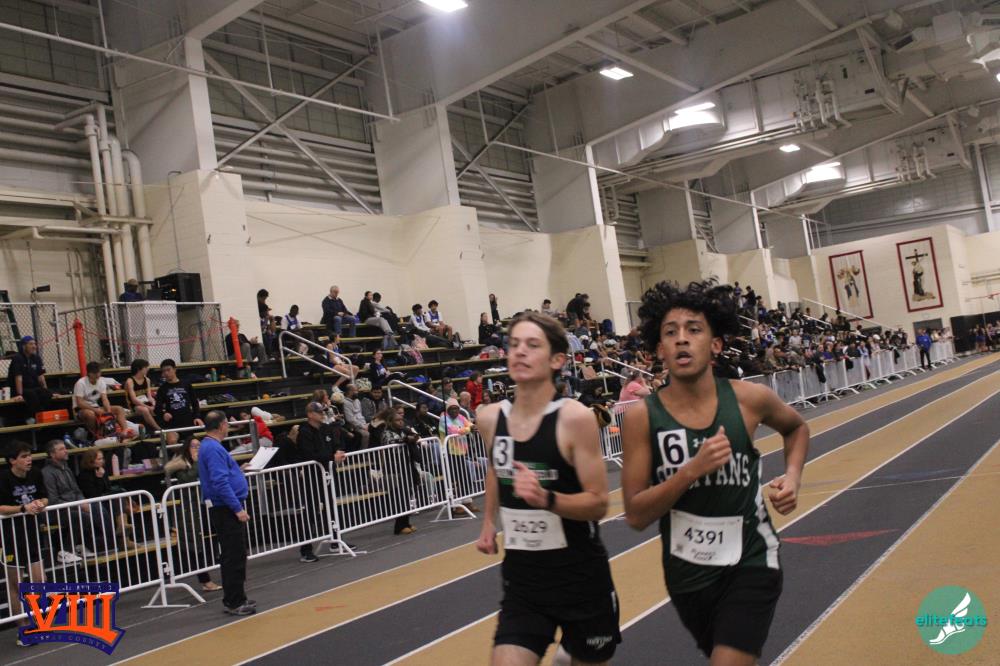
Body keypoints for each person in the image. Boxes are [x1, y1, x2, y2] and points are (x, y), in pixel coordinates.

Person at [621, 280, 809, 665]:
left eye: (694, 330)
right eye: (670, 333)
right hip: (687, 575)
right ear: (659, 350)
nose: (681, 339)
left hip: (752, 559)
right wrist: (690, 471)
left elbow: (796, 428)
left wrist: (792, 476)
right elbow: (636, 515)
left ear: (716, 345)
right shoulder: (642, 418)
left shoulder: (749, 399)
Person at [475, 311, 619, 665]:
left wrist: (546, 498)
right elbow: (496, 467)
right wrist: (488, 522)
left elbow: (599, 504)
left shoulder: (574, 418)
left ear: (557, 360)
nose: (520, 352)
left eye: (532, 345)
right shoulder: (490, 418)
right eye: (514, 344)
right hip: (524, 583)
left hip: (580, 580)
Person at [197, 410, 254, 615]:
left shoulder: (211, 446)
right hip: (225, 508)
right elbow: (219, 482)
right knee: (233, 555)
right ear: (222, 425)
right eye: (227, 424)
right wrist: (237, 508)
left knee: (235, 553)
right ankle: (234, 601)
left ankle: (237, 596)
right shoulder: (212, 448)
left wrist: (238, 470)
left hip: (225, 506)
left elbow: (221, 476)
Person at [0, 442, 48, 647]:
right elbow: (1, 507)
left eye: (29, 455)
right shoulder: (3, 478)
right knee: (16, 585)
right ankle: (23, 629)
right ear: (13, 461)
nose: (29, 459)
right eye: (24, 456)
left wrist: (40, 503)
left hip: (32, 532)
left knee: (40, 580)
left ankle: (37, 621)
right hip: (10, 536)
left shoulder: (35, 474)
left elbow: (45, 496)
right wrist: (22, 508)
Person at [289, 402, 347, 562]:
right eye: (319, 412)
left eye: (323, 412)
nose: (323, 414)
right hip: (312, 476)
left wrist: (338, 452)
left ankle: (335, 540)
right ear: (310, 414)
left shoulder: (326, 428)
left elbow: (335, 445)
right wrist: (331, 457)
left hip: (328, 474)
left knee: (332, 508)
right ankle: (306, 550)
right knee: (310, 512)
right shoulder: (304, 432)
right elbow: (309, 455)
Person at [162, 438, 223, 592]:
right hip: (191, 511)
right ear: (186, 448)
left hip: (207, 505)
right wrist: (196, 462)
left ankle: (218, 572)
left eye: (199, 446)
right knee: (195, 547)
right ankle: (205, 580)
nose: (197, 448)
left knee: (213, 540)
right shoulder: (181, 464)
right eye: (193, 446)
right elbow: (187, 479)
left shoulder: (206, 460)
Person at [42, 439, 115, 557]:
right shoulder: (47, 473)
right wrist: (77, 505)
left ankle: (88, 544)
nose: (66, 451)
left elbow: (77, 490)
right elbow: (53, 499)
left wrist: (82, 501)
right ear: (52, 454)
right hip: (57, 510)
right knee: (83, 516)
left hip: (73, 506)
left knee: (94, 508)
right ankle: (66, 551)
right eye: (61, 449)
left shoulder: (67, 469)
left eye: (65, 448)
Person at [73, 362, 131, 439]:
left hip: (96, 408)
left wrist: (108, 411)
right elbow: (79, 403)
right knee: (90, 414)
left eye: (99, 372)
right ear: (89, 373)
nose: (97, 375)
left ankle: (125, 432)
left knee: (119, 409)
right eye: (95, 373)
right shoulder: (80, 383)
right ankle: (97, 436)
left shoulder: (101, 382)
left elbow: (104, 399)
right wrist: (95, 410)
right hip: (81, 410)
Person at [155, 359, 203, 444]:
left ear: (174, 369)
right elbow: (157, 408)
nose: (166, 373)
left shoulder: (186, 384)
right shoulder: (162, 389)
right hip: (172, 424)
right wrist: (163, 414)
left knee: (192, 444)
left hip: (187, 422)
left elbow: (195, 403)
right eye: (164, 371)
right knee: (172, 441)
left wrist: (197, 417)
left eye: (168, 370)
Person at [7, 336, 53, 422]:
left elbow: (41, 377)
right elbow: (18, 378)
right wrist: (19, 394)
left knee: (47, 394)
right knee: (31, 395)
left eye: (35, 344)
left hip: (33, 388)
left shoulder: (36, 358)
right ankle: (33, 417)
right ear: (24, 346)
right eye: (31, 344)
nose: (34, 346)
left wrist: (46, 390)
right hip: (20, 389)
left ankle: (40, 416)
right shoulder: (17, 358)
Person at [125, 358, 159, 434]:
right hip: (134, 406)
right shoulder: (130, 381)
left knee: (157, 407)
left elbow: (149, 396)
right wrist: (148, 407)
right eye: (145, 367)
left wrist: (154, 403)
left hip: (145, 402)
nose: (147, 369)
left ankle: (156, 429)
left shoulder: (147, 380)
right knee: (145, 410)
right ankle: (158, 429)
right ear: (138, 369)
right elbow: (134, 400)